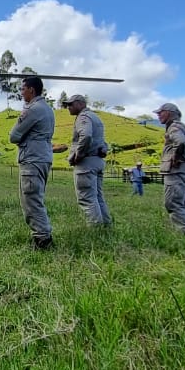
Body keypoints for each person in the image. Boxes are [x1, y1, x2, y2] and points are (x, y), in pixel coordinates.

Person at [10, 75, 55, 249]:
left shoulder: (33, 109)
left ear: (31, 89)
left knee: (31, 200)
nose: (21, 93)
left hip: (32, 159)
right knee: (36, 197)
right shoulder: (48, 109)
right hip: (43, 157)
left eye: (23, 89)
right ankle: (42, 236)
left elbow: (14, 136)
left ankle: (43, 239)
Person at [156, 103, 185, 235]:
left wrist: (176, 158)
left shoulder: (173, 128)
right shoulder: (184, 127)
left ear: (170, 113)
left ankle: (184, 230)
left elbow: (180, 142)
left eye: (161, 112)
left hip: (175, 170)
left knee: (173, 202)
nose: (158, 115)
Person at [65, 93, 112, 226]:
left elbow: (86, 136)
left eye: (71, 104)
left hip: (86, 162)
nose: (68, 107)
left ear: (81, 104)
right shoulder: (95, 117)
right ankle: (106, 226)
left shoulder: (83, 117)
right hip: (97, 160)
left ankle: (95, 229)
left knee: (87, 198)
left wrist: (78, 155)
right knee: (98, 197)